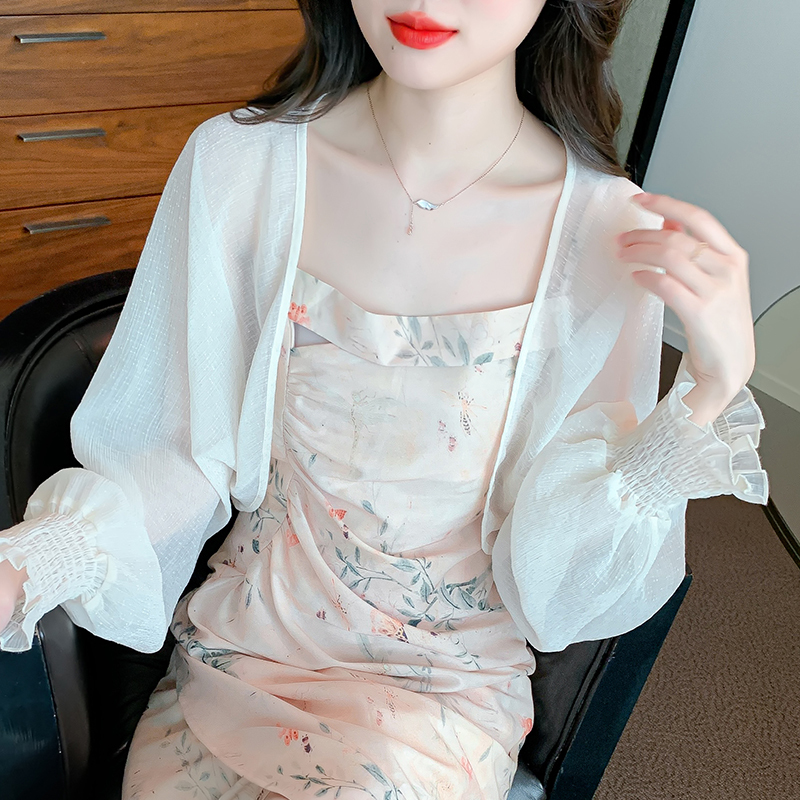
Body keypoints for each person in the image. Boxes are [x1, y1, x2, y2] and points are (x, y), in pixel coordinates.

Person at [0, 1, 769, 798]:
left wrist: (705, 397)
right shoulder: (240, 164)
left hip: (441, 701)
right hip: (245, 658)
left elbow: (562, 587)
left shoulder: (609, 231)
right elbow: (177, 455)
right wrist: (26, 564)